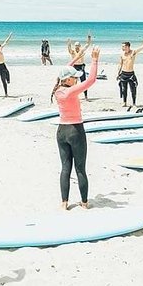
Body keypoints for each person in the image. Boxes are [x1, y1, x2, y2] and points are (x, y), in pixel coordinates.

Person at [51, 46, 101, 210]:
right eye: (74, 77)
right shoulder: (71, 91)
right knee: (80, 169)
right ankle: (85, 203)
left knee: (65, 168)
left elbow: (63, 71)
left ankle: (64, 203)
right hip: (75, 131)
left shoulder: (58, 89)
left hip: (61, 132)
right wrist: (94, 59)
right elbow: (91, 80)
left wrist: (77, 56)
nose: (76, 79)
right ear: (68, 80)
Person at [117, 34, 143, 107]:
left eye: (123, 46)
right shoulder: (122, 54)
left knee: (133, 90)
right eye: (122, 46)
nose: (122, 48)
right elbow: (120, 64)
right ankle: (124, 102)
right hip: (123, 73)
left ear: (127, 46)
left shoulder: (133, 52)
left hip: (131, 74)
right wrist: (118, 73)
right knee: (124, 90)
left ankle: (134, 103)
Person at [67, 33, 92, 99]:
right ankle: (73, 95)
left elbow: (87, 45)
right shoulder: (73, 51)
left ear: (80, 46)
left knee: (83, 81)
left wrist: (89, 39)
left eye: (78, 45)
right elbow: (69, 49)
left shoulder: (81, 51)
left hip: (81, 66)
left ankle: (86, 96)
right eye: (75, 45)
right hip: (75, 67)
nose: (77, 46)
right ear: (74, 46)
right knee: (74, 82)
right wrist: (69, 44)